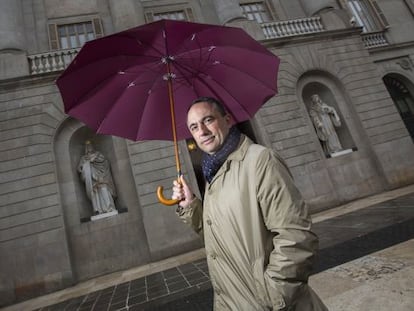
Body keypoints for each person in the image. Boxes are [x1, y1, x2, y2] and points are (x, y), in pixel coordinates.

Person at [172, 97, 328, 310]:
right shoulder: (214, 174)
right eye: (194, 126)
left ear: (227, 120)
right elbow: (222, 237)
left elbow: (296, 235)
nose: (202, 131)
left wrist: (274, 295)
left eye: (208, 120)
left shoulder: (260, 161)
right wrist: (191, 206)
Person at [78, 140, 117, 215]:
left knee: (104, 190)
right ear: (86, 148)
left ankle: (110, 208)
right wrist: (87, 164)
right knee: (95, 194)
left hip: (101, 177)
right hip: (92, 181)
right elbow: (79, 169)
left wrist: (95, 160)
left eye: (90, 146)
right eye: (87, 147)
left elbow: (105, 163)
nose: (89, 148)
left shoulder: (98, 154)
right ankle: (99, 210)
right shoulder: (83, 158)